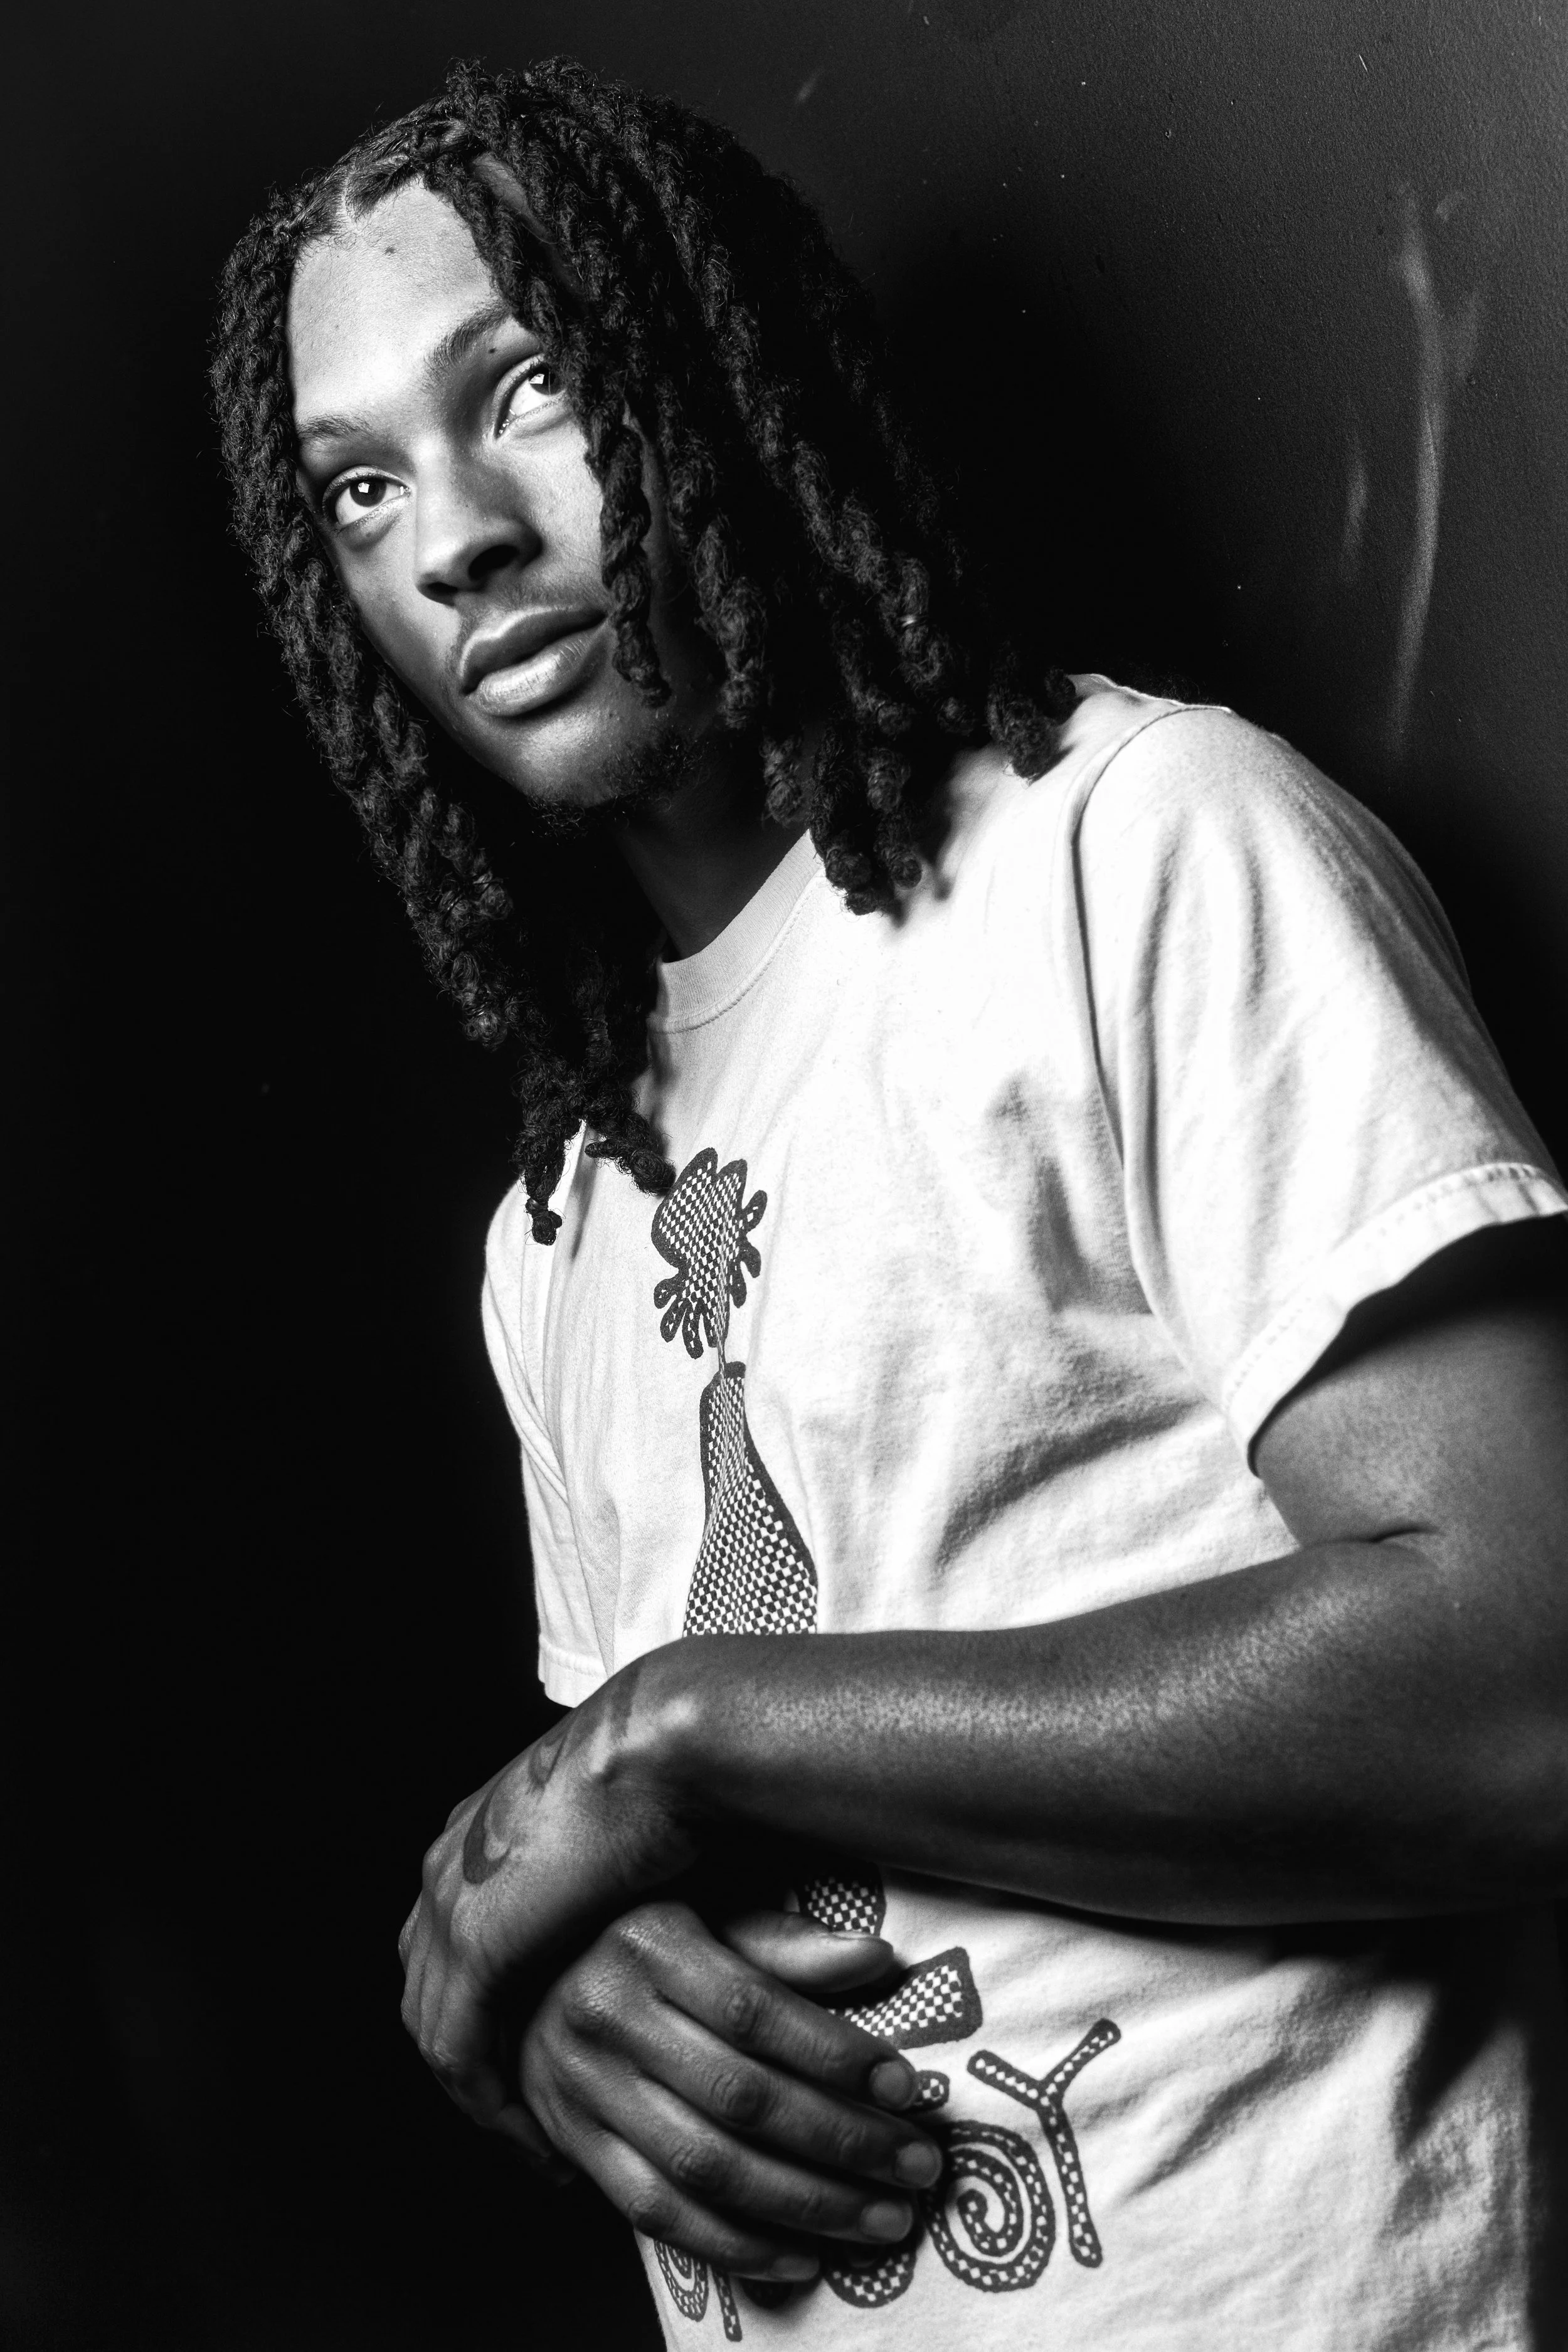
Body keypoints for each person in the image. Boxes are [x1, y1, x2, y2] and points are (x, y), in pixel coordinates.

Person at [212, 57, 1568, 2350]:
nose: (454, 539)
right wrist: (563, 2006)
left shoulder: (1138, 851)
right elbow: (656, 1876)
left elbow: (1521, 1688)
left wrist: (686, 1724)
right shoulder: (560, 1219)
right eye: (360, 486)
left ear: (700, 361)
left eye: (526, 385)